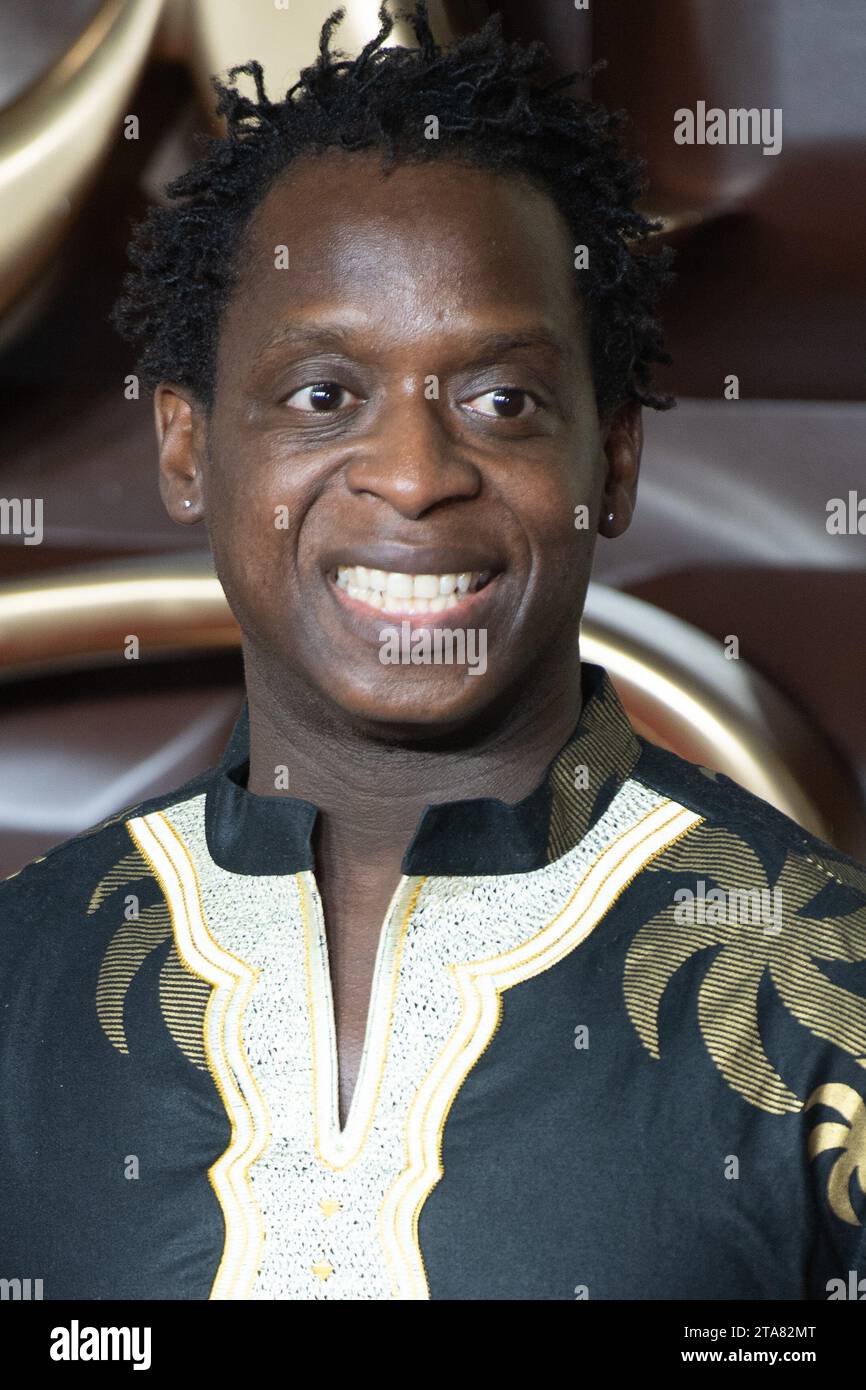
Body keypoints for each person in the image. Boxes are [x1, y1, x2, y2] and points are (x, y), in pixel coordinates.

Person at [1, 2, 864, 1301]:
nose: (412, 475)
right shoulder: (21, 974)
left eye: (501, 400)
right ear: (188, 450)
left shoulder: (828, 994)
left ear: (612, 462)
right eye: (323, 395)